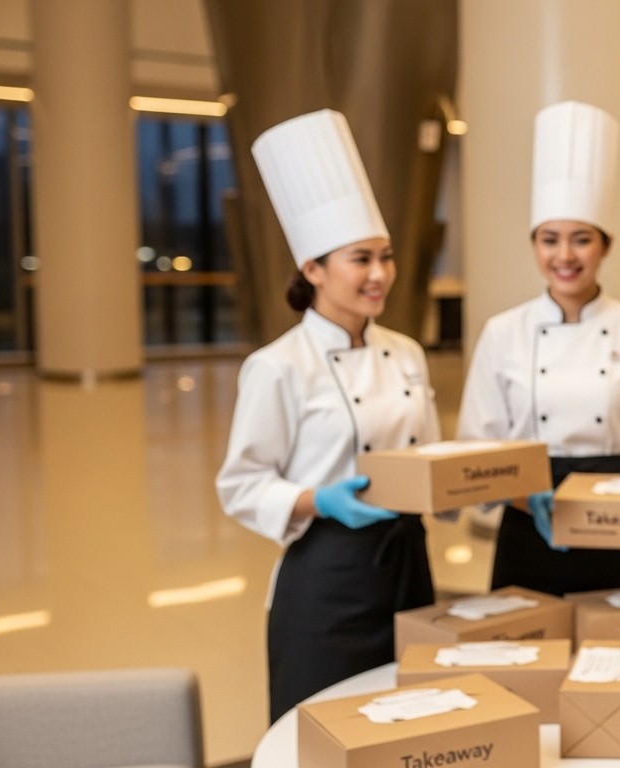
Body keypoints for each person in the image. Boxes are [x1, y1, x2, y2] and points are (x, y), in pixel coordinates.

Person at [216, 109, 441, 723]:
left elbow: (431, 454)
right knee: (318, 726)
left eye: (387, 257)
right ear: (313, 269)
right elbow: (241, 485)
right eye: (360, 258)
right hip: (326, 574)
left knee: (407, 721)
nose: (379, 274)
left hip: (407, 563)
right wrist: (321, 499)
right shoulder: (278, 365)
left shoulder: (407, 351)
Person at [458, 100, 620, 596]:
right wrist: (524, 496)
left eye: (581, 240)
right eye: (549, 240)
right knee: (525, 658)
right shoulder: (503, 332)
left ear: (605, 245)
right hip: (528, 521)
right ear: (534, 245)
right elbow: (477, 449)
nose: (564, 256)